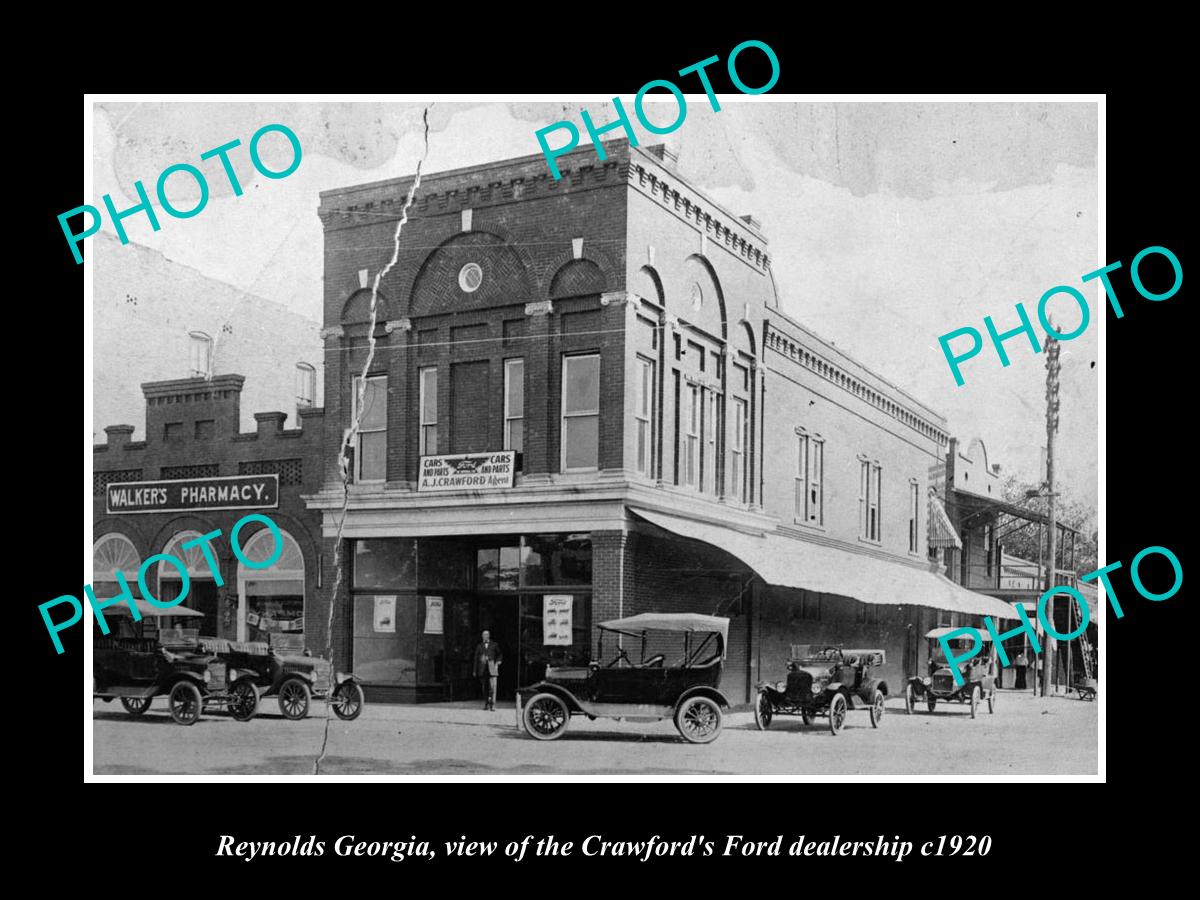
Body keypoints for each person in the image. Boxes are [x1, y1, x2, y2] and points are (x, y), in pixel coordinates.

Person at [473, 630, 502, 710]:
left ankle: (493, 704)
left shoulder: (494, 645)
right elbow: (476, 659)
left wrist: (498, 662)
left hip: (492, 666)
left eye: (486, 635)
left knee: (492, 687)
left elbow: (499, 654)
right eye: (483, 635)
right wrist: (475, 670)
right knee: (484, 687)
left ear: (489, 636)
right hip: (482, 669)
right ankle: (486, 703)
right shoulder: (479, 646)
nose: (485, 637)